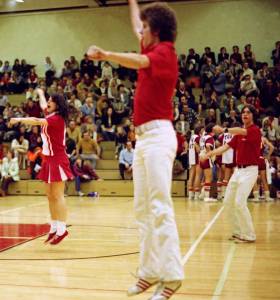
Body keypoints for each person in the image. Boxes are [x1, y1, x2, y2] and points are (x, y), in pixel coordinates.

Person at [87, 0, 184, 298]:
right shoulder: (151, 47)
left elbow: (138, 62)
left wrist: (106, 54)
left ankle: (172, 276)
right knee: (142, 209)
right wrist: (132, 1)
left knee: (159, 207)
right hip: (143, 139)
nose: (139, 31)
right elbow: (134, 24)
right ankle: (149, 271)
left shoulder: (164, 53)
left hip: (158, 136)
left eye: (144, 27)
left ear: (155, 30)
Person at [9, 88, 73, 245]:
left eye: (52, 101)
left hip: (58, 159)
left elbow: (36, 121)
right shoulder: (50, 114)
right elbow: (43, 106)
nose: (48, 103)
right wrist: (41, 94)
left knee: (58, 195)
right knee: (50, 195)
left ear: (57, 105)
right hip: (48, 159)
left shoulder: (56, 119)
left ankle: (62, 229)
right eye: (49, 100)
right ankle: (54, 226)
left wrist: (18, 120)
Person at [200, 105, 261, 243]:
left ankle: (249, 235)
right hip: (238, 171)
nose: (245, 114)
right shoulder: (238, 135)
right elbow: (224, 147)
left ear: (253, 116)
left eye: (248, 112)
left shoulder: (254, 130)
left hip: (250, 171)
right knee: (228, 202)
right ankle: (238, 232)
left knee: (239, 203)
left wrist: (224, 130)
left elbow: (241, 131)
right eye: (243, 112)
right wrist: (209, 154)